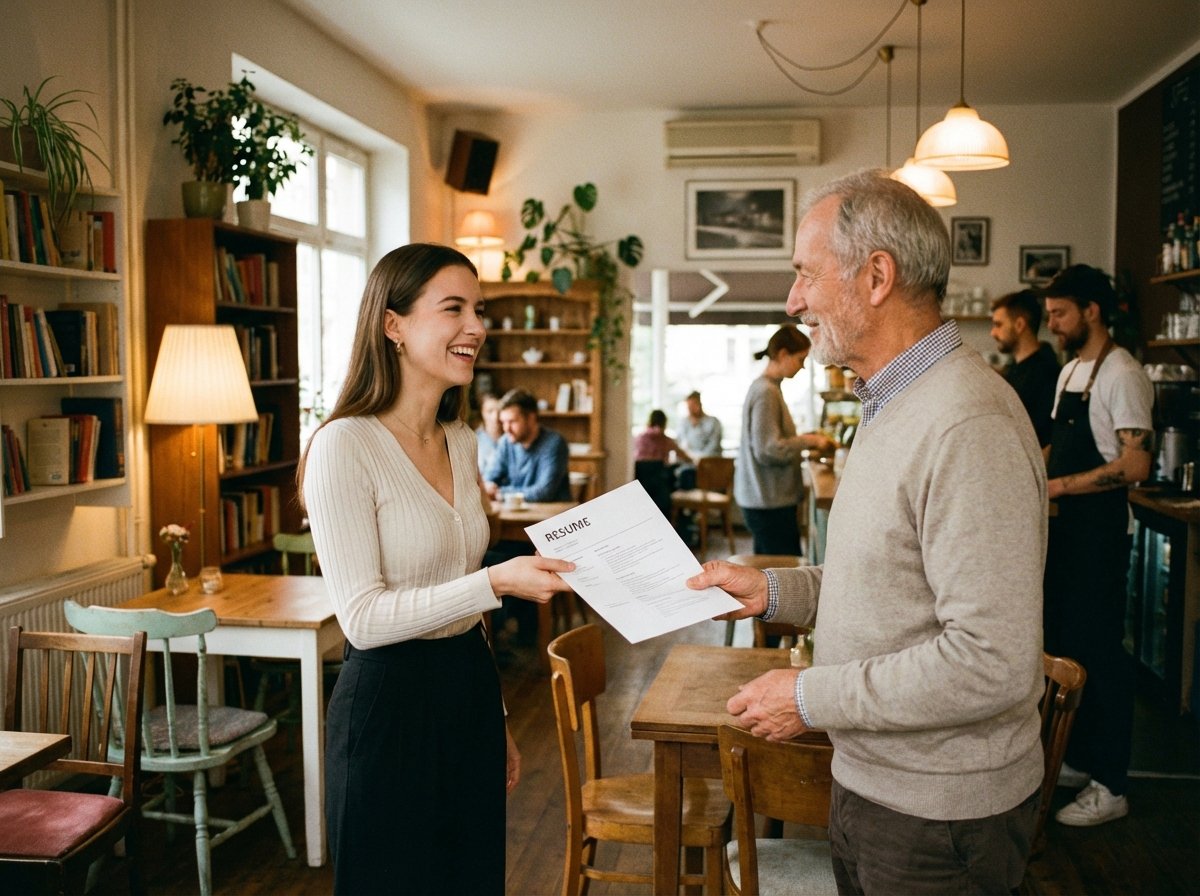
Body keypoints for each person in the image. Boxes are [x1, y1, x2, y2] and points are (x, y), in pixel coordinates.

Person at [689, 170, 1047, 894]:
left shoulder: (967, 421)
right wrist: (772, 592)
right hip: (872, 784)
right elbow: (887, 580)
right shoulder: (893, 403)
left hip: (936, 816)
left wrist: (808, 697)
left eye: (806, 274)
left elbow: (991, 661)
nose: (793, 302)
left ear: (877, 277)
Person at [299, 243, 574, 894]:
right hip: (388, 708)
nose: (476, 327)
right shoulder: (344, 445)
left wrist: (495, 717)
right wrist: (496, 581)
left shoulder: (461, 440)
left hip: (466, 689)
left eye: (478, 310)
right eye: (454, 308)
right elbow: (362, 621)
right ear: (392, 324)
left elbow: (463, 603)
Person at [1040, 264, 1153, 828]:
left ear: (1091, 310)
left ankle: (1112, 784)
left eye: (1061, 314)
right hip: (1065, 535)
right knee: (1069, 649)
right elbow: (1053, 449)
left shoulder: (1122, 374)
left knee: (1102, 656)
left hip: (1101, 536)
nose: (1053, 324)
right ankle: (1081, 759)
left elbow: (1135, 463)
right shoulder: (1070, 373)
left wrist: (1058, 486)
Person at [734, 324, 834, 555]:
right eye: (800, 359)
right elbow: (768, 449)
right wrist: (809, 441)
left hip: (765, 500)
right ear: (782, 354)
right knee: (783, 566)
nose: (802, 366)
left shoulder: (768, 389)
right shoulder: (766, 392)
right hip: (768, 501)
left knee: (769, 567)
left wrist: (804, 440)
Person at [990, 289, 1061, 446]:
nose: (993, 333)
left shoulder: (1045, 374)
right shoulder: (1017, 368)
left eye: (998, 325)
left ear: (1020, 325)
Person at [483, 388, 571, 503]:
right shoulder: (505, 442)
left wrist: (502, 493)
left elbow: (544, 492)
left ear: (531, 418)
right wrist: (489, 486)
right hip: (517, 512)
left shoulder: (554, 443)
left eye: (512, 421)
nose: (506, 429)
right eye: (503, 422)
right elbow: (488, 480)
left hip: (553, 513)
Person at [674, 390, 722, 490]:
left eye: (693, 405)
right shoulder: (683, 423)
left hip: (707, 465)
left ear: (700, 404)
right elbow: (680, 445)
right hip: (687, 464)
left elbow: (713, 447)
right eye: (688, 407)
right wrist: (688, 457)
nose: (690, 409)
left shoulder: (713, 422)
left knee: (688, 476)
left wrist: (697, 459)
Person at [475, 390, 503, 475]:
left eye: (499, 411)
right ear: (482, 412)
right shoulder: (474, 440)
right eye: (490, 411)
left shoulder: (512, 437)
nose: (495, 417)